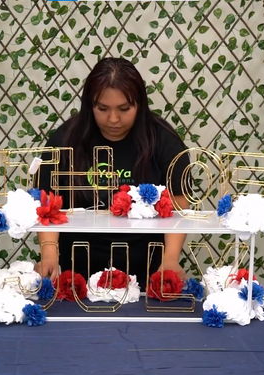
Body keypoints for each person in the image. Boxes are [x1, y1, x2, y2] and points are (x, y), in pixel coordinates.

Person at [34, 57, 191, 287]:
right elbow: (47, 201)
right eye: (103, 109)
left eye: (124, 109)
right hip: (77, 275)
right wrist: (49, 255)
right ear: (90, 105)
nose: (113, 119)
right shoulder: (66, 140)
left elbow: (179, 203)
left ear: (140, 104)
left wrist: (170, 259)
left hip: (146, 271)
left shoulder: (164, 141)